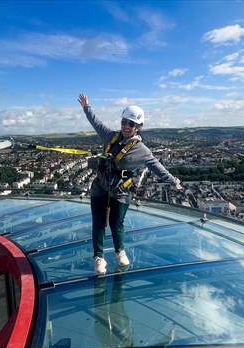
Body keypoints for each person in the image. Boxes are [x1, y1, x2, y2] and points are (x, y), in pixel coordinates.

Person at [78, 93, 183, 274]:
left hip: (121, 190)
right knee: (98, 223)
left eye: (131, 124)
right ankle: (98, 257)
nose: (126, 126)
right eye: (124, 122)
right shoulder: (111, 137)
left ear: (138, 127)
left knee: (116, 223)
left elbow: (157, 167)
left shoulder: (142, 150)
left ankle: (120, 251)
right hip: (101, 186)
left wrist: (174, 182)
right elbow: (96, 123)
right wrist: (87, 108)